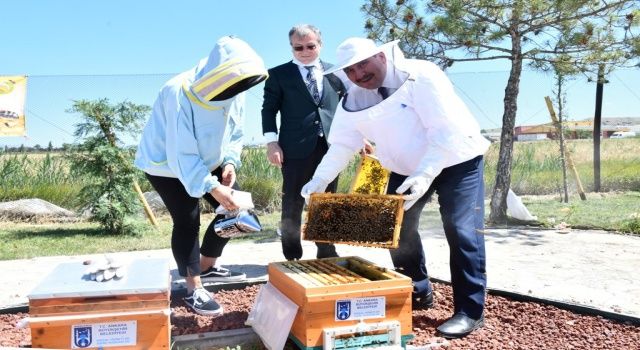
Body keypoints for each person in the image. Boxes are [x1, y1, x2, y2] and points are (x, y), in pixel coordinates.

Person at [301, 37, 491, 339]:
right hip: (405, 169)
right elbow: (342, 144)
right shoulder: (352, 99)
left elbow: (444, 132)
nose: (358, 74)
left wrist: (426, 173)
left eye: (363, 64)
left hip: (457, 159)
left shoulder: (422, 75)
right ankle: (418, 290)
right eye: (350, 71)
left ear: (381, 56)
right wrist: (318, 181)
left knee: (461, 229)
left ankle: (470, 311)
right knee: (396, 230)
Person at [135, 36, 268, 316]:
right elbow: (181, 153)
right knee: (187, 219)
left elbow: (235, 129)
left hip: (210, 158)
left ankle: (206, 266)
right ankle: (193, 288)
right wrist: (213, 186)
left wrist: (230, 161)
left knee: (237, 212)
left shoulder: (236, 85)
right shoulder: (177, 91)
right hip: (166, 164)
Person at [261, 24, 347, 261]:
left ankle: (326, 251)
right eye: (298, 47)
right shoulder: (278, 74)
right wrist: (271, 143)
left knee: (326, 200)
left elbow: (347, 108)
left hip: (331, 147)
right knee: (293, 200)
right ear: (291, 47)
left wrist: (359, 136)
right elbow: (268, 110)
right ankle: (292, 254)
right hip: (294, 147)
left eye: (310, 46)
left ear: (320, 45)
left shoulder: (336, 72)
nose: (304, 51)